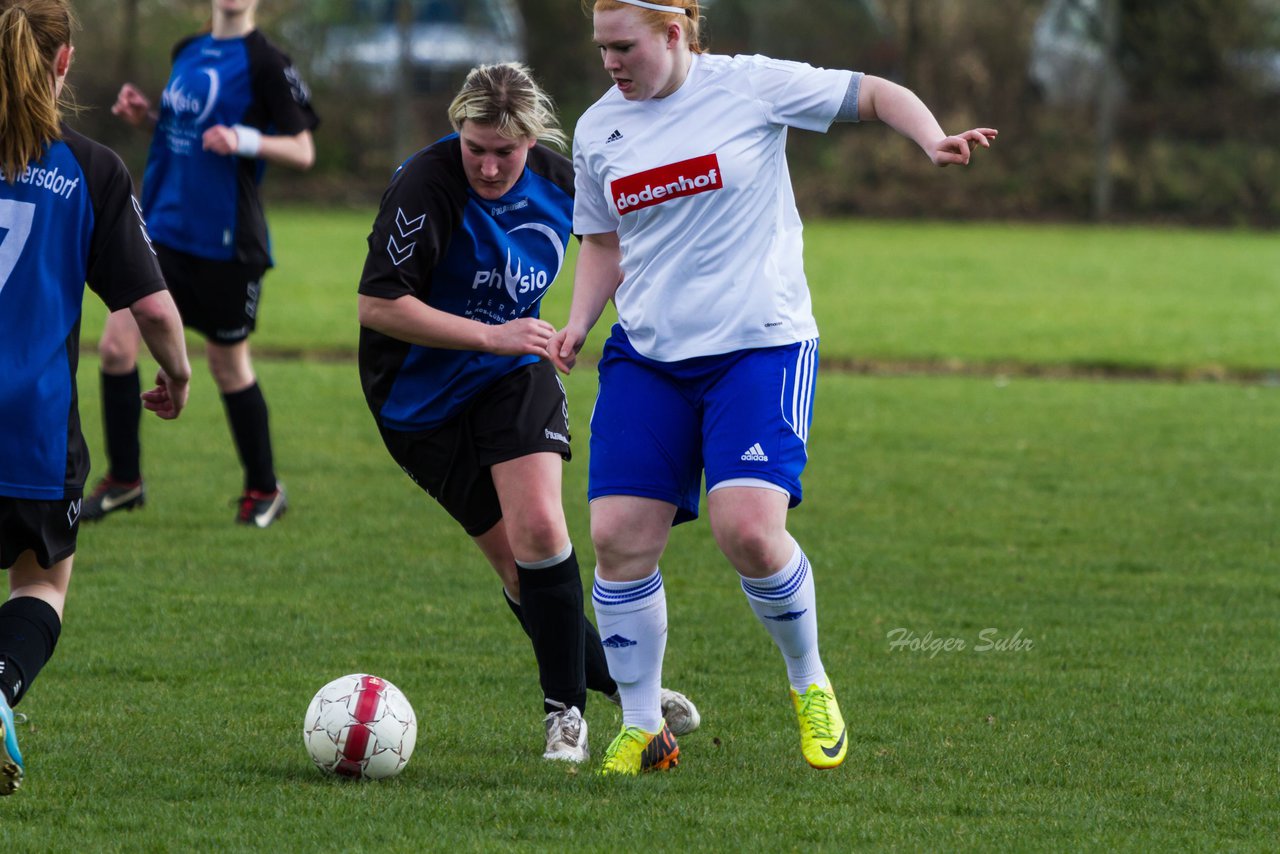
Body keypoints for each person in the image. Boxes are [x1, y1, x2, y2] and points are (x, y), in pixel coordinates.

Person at [550, 0, 997, 775]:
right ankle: (643, 727)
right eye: (600, 49)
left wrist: (931, 137)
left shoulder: (751, 86)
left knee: (750, 530)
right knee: (618, 538)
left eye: (623, 46)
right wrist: (579, 320)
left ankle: (808, 679)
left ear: (674, 31)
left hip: (759, 349)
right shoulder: (597, 129)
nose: (610, 63)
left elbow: (874, 92)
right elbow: (603, 242)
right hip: (649, 356)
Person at [356, 63, 699, 763]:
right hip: (416, 398)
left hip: (515, 373)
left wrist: (579, 323)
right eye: (474, 147)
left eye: (503, 152)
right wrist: (492, 332)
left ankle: (563, 716)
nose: (486, 165)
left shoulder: (561, 178)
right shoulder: (425, 184)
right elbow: (379, 305)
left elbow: (615, 248)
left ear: (532, 139)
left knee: (543, 526)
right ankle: (618, 686)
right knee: (518, 571)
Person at [0, 0, 192, 795]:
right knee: (40, 584)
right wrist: (177, 375)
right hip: (30, 426)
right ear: (65, 63)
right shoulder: (91, 168)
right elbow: (150, 307)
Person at [83, 0, 319, 527]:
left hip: (226, 241)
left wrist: (244, 139)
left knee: (226, 364)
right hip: (161, 229)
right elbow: (182, 135)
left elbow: (304, 151)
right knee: (117, 347)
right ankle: (125, 482)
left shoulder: (267, 63)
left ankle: (264, 490)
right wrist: (148, 117)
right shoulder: (187, 50)